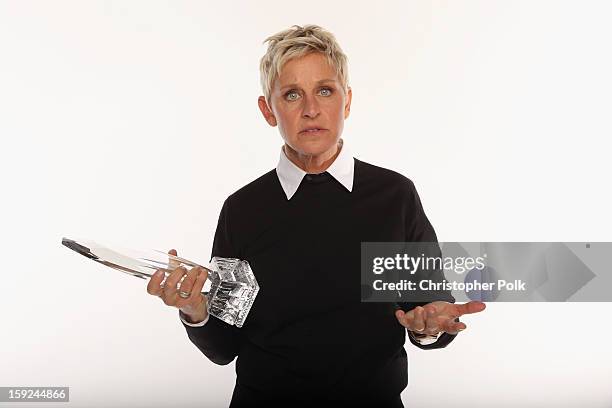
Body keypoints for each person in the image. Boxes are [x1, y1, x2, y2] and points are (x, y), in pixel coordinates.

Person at [146, 24, 486, 407]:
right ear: (268, 110)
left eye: (325, 90)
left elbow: (428, 311)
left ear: (347, 101)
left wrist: (430, 328)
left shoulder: (395, 197)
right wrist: (196, 310)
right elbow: (224, 347)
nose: (311, 109)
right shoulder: (242, 209)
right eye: (292, 94)